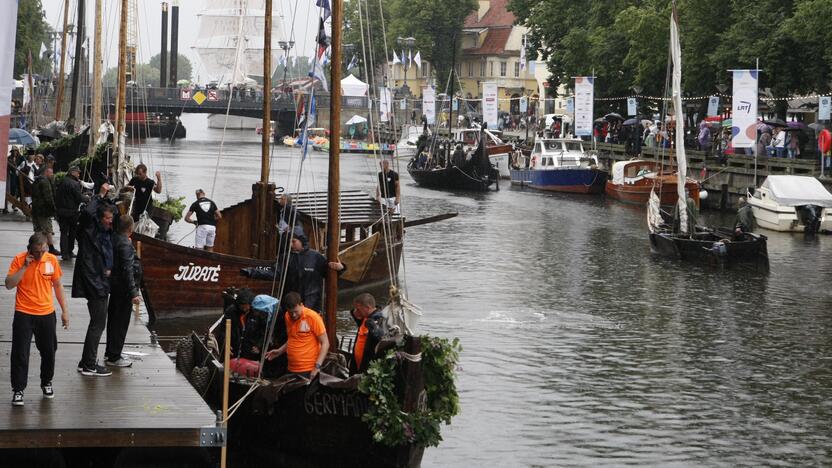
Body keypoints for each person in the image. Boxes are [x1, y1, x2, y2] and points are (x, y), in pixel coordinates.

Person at [5, 233, 68, 406]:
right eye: (37, 251)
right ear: (30, 249)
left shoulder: (52, 260)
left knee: (49, 350)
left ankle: (46, 381)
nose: (40, 254)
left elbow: (57, 285)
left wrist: (64, 311)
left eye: (43, 250)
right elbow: (9, 284)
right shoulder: (19, 259)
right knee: (20, 352)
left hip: (46, 313)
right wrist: (25, 267)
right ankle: (18, 389)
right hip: (23, 312)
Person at [73, 184, 116, 377]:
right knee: (98, 324)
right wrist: (99, 195)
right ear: (99, 219)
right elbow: (86, 214)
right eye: (107, 218)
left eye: (111, 218)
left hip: (99, 282)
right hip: (95, 284)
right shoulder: (89, 231)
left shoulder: (105, 234)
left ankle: (85, 362)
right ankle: (90, 364)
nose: (110, 221)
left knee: (96, 323)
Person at [104, 215, 142, 368]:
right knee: (120, 323)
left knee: (113, 320)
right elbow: (127, 270)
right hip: (123, 289)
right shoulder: (125, 244)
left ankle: (111, 351)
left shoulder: (114, 239)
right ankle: (114, 356)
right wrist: (134, 293)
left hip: (115, 286)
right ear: (130, 229)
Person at [264, 292, 329, 379]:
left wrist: (317, 367)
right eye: (291, 312)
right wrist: (280, 351)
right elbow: (293, 338)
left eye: (296, 311)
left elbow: (325, 343)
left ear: (301, 305)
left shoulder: (312, 317)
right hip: (291, 368)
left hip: (308, 369)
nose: (294, 315)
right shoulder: (287, 316)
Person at [284, 232, 345, 314]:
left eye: (293, 241)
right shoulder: (286, 257)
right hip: (291, 306)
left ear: (301, 241)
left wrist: (341, 268)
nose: (291, 245)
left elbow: (330, 274)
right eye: (289, 242)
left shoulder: (316, 257)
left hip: (312, 304)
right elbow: (276, 272)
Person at [55, 166, 89, 260]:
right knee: (72, 232)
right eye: (78, 173)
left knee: (64, 232)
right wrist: (87, 198)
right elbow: (79, 197)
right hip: (72, 212)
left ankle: (64, 253)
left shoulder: (62, 181)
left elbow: (57, 196)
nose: (79, 175)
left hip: (61, 211)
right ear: (73, 173)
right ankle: (69, 251)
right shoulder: (74, 184)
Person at [350, 293, 386, 374]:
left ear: (368, 308)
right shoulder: (364, 317)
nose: (357, 312)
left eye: (358, 309)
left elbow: (382, 338)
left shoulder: (379, 320)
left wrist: (372, 325)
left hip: (367, 367)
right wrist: (356, 311)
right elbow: (353, 312)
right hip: (356, 365)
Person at [31, 165, 60, 256]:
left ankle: (34, 247)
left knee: (38, 229)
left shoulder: (37, 180)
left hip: (36, 209)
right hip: (44, 211)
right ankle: (47, 248)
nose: (52, 175)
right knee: (47, 229)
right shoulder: (45, 182)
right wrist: (54, 209)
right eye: (51, 173)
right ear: (46, 172)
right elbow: (49, 198)